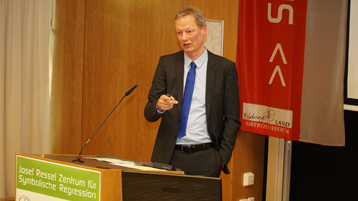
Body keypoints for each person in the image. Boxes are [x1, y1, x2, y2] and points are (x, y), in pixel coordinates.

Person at [144, 6, 241, 177]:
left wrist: (222, 157)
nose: (184, 38)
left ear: (204, 30)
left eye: (189, 31)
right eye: (179, 33)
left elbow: (232, 118)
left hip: (207, 157)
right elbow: (149, 113)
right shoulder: (166, 64)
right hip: (168, 156)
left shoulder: (225, 68)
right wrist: (158, 106)